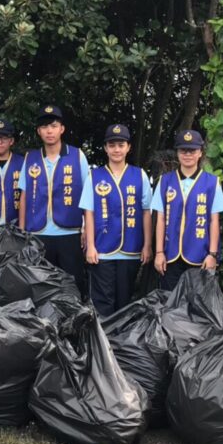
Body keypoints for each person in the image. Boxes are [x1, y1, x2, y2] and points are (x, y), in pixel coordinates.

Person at [81, 124, 152, 317]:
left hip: (131, 248)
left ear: (128, 147)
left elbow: (146, 212)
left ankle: (121, 345)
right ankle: (104, 345)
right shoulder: (94, 176)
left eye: (121, 145)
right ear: (105, 148)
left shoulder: (139, 175)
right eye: (112, 145)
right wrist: (90, 246)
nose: (117, 150)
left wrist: (147, 245)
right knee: (102, 303)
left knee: (125, 302)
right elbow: (89, 211)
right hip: (102, 249)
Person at [18, 104, 90, 294]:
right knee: (41, 286)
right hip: (38, 233)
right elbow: (24, 195)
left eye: (54, 125)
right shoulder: (31, 158)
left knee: (72, 285)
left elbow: (87, 196)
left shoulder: (77, 156)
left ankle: (75, 322)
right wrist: (23, 232)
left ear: (62, 129)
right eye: (45, 127)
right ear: (39, 131)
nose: (49, 131)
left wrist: (85, 228)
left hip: (69, 232)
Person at [151, 130, 223, 292]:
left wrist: (212, 255)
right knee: (171, 306)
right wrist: (159, 252)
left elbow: (215, 220)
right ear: (177, 153)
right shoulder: (165, 181)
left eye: (192, 150)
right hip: (170, 255)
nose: (188, 154)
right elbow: (160, 219)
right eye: (183, 150)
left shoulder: (212, 183)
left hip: (200, 255)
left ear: (200, 152)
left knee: (197, 308)